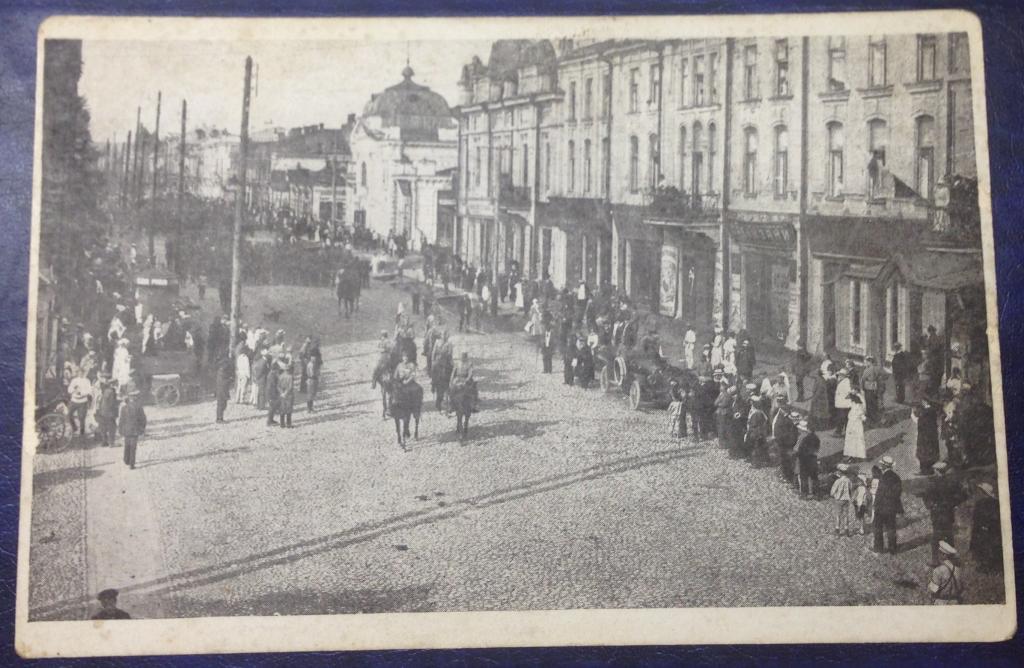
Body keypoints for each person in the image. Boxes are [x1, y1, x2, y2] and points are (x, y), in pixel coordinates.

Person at [921, 461, 967, 566]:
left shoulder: (932, 484)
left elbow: (926, 498)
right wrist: (953, 504)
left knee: (936, 536)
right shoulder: (952, 483)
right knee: (949, 535)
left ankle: (935, 560)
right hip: (948, 513)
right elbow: (963, 495)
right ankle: (952, 558)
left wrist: (931, 506)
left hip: (937, 514)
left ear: (937, 471)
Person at [873, 456, 904, 554]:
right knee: (891, 528)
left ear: (883, 465)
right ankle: (893, 548)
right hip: (891, 507)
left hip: (881, 507)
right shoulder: (896, 477)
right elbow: (898, 493)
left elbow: (880, 493)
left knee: (878, 528)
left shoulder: (883, 477)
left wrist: (875, 505)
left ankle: (879, 548)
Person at [970, 482, 1003, 573]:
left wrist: (986, 526)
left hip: (991, 529)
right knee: (981, 545)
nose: (979, 493)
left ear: (985, 492)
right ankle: (984, 564)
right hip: (982, 529)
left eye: (981, 491)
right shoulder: (980, 503)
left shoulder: (994, 503)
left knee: (989, 546)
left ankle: (989, 565)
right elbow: (976, 517)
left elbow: (996, 517)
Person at [118, 389, 146, 470]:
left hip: (126, 430)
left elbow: (121, 420)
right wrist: (142, 429)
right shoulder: (139, 407)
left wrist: (120, 430)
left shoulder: (124, 408)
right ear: (135, 397)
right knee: (133, 447)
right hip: (135, 430)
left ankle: (126, 459)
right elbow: (143, 419)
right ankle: (132, 464)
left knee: (127, 445)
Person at [914, 394, 941, 475]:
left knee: (925, 452)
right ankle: (928, 469)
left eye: (922, 401)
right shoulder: (931, 410)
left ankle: (925, 470)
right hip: (929, 435)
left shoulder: (927, 411)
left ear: (925, 401)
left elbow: (922, 422)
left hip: (926, 436)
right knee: (928, 452)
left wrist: (916, 417)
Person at [773, 409, 800, 484]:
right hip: (786, 444)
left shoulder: (788, 423)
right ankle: (787, 476)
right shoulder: (788, 423)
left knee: (786, 461)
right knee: (786, 461)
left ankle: (788, 477)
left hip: (787, 444)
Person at [795, 420, 820, 499]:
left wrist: (797, 455)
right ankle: (813, 493)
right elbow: (817, 449)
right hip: (813, 459)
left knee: (804, 477)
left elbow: (801, 450)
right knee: (813, 477)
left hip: (804, 460)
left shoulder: (805, 439)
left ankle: (804, 494)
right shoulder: (816, 438)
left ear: (808, 429)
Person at [94, 373, 119, 447]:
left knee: (103, 427)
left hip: (103, 411)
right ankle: (112, 443)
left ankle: (104, 442)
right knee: (112, 427)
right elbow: (111, 403)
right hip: (110, 412)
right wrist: (118, 402)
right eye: (116, 384)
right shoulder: (112, 391)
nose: (117, 385)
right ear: (112, 384)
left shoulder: (105, 390)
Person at [67, 367, 93, 437]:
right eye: (79, 372)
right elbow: (69, 389)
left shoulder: (87, 381)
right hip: (74, 401)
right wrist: (74, 390)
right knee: (69, 415)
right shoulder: (74, 380)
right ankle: (74, 428)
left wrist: (81, 393)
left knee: (81, 418)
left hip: (83, 401)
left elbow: (89, 391)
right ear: (77, 373)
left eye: (82, 372)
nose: (80, 373)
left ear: (84, 373)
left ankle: (82, 433)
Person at [830, 463, 854, 537]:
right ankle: (846, 529)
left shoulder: (838, 481)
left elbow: (832, 491)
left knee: (838, 515)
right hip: (846, 499)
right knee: (846, 514)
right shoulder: (849, 481)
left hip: (839, 499)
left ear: (839, 472)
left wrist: (834, 495)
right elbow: (851, 489)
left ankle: (837, 529)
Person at [843, 393, 867, 460]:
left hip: (854, 425)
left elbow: (861, 415)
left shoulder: (856, 407)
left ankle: (854, 455)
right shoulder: (856, 405)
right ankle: (855, 454)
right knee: (855, 440)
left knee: (854, 439)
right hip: (854, 424)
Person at [860, 355, 884, 424]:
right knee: (874, 403)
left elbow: (863, 379)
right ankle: (875, 417)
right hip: (875, 388)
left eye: (866, 361)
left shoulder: (868, 370)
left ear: (869, 362)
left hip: (868, 387)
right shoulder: (877, 368)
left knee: (869, 403)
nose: (865, 363)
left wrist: (862, 387)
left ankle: (872, 419)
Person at [214, 354, 233, 424]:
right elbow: (224, 382)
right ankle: (219, 419)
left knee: (222, 404)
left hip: (221, 390)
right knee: (221, 404)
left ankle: (220, 418)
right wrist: (230, 379)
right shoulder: (222, 373)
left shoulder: (220, 371)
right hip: (222, 390)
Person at [833, 368, 852, 436]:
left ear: (844, 375)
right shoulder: (843, 381)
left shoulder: (846, 382)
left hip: (844, 404)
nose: (839, 376)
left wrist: (843, 399)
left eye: (840, 375)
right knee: (844, 418)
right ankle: (845, 432)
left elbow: (849, 393)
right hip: (842, 404)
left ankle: (839, 432)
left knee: (841, 418)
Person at [277, 359, 295, 428]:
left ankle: (282, 424)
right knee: (289, 409)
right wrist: (286, 393)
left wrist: (282, 393)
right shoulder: (290, 377)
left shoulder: (280, 376)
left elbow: (278, 386)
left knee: (282, 409)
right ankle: (288, 424)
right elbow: (290, 387)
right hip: (289, 394)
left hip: (282, 395)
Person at [306, 339, 322, 413]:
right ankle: (309, 409)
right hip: (312, 379)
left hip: (312, 379)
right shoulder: (311, 364)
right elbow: (312, 374)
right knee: (311, 394)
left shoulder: (311, 363)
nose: (315, 358)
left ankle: (310, 408)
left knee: (312, 394)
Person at [266, 359, 281, 426]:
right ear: (275, 369)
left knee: (273, 408)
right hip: (272, 394)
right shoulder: (272, 375)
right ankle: (269, 421)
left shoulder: (271, 374)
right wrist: (273, 396)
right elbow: (272, 386)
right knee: (271, 408)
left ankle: (271, 420)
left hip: (272, 393)